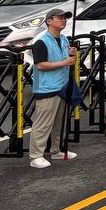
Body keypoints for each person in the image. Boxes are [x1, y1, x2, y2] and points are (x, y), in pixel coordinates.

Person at [29, 9, 79, 169]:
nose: (63, 20)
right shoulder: (41, 42)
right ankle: (36, 156)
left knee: (60, 122)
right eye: (60, 18)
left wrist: (71, 54)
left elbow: (66, 59)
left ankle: (57, 150)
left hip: (63, 85)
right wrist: (65, 62)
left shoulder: (64, 39)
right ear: (49, 21)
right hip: (47, 88)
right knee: (43, 124)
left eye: (65, 18)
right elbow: (40, 65)